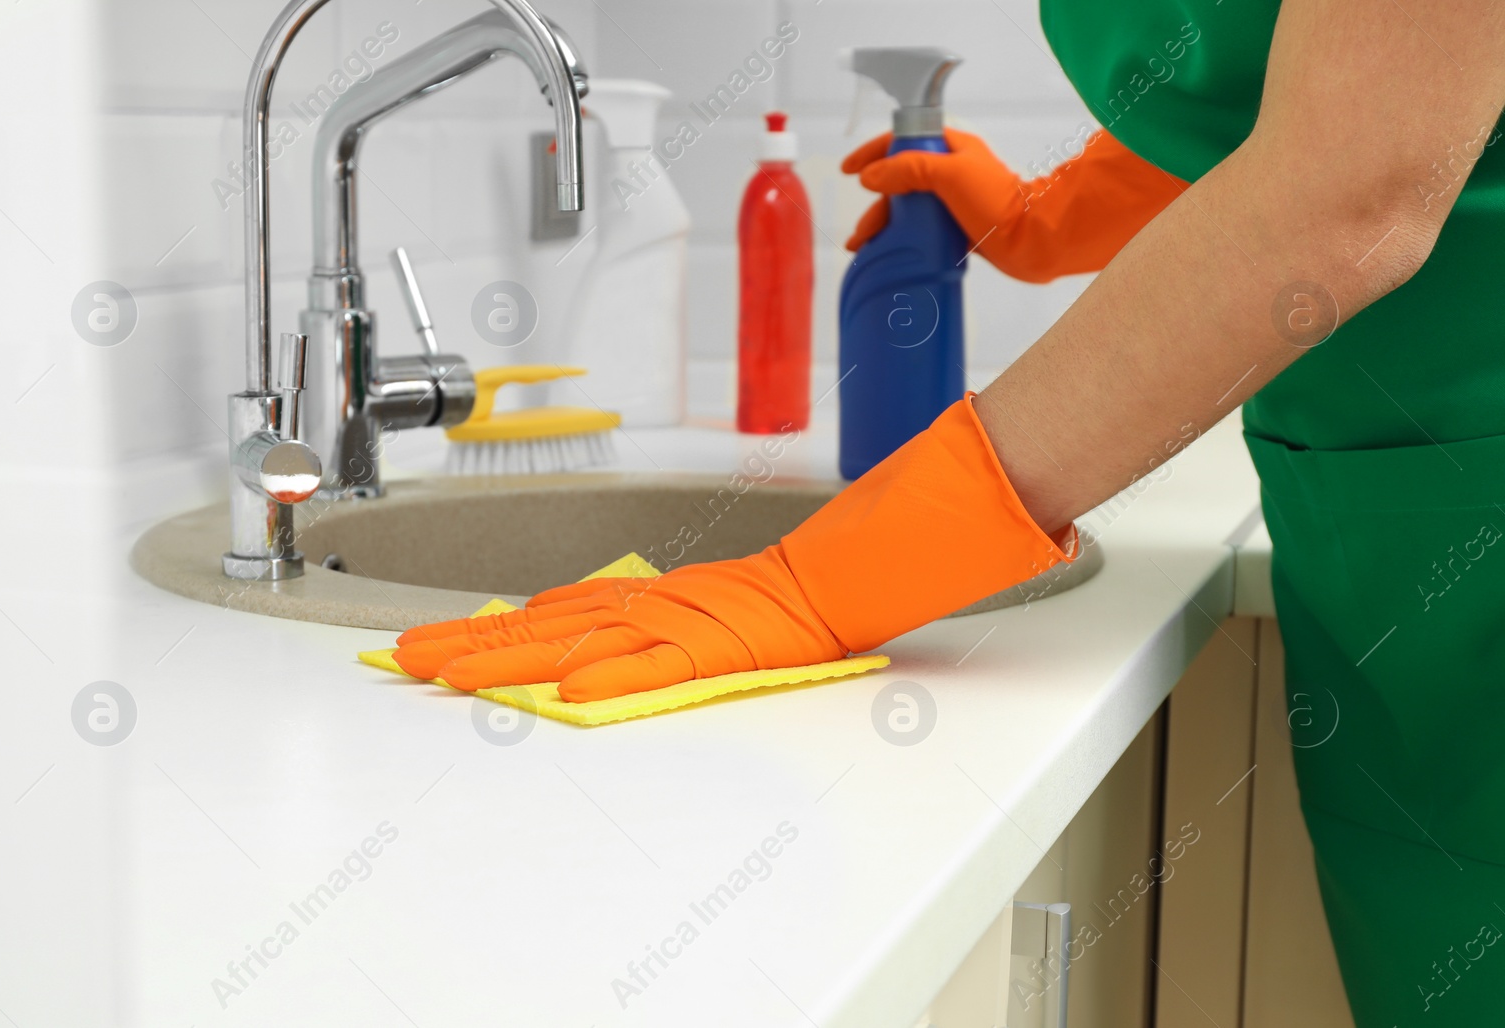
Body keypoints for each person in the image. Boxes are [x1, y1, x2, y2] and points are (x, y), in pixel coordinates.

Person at [395, 2, 1505, 1021]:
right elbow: (1324, 80)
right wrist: (1054, 213)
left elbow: (1358, 179)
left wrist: (820, 578)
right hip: (1397, 511)